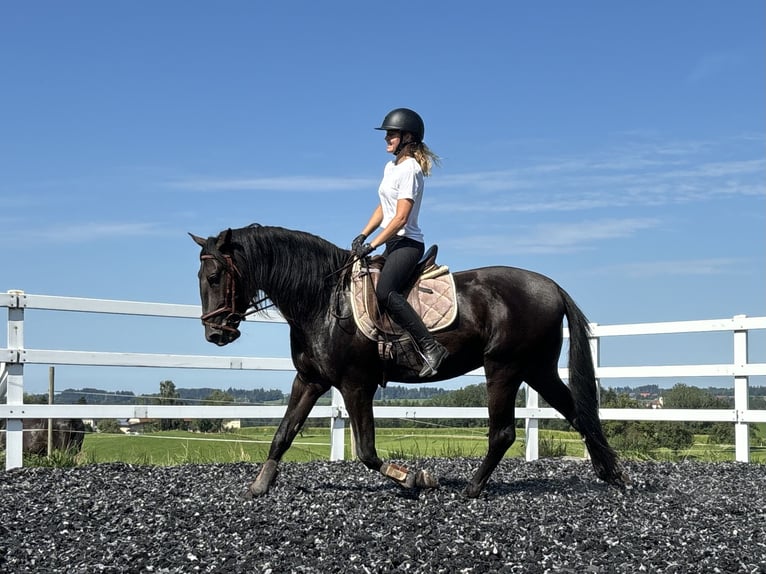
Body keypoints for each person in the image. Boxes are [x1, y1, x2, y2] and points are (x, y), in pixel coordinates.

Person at [351, 108, 448, 377]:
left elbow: (401, 217)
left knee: (385, 291)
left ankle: (431, 347)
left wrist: (372, 245)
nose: (387, 139)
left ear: (407, 137)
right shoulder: (390, 167)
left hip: (407, 244)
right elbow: (384, 208)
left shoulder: (410, 170)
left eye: (391, 134)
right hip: (391, 243)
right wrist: (363, 234)